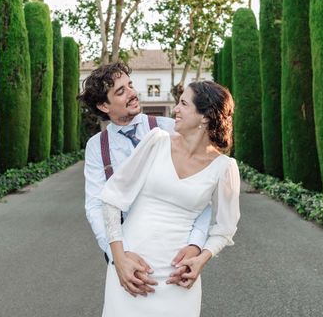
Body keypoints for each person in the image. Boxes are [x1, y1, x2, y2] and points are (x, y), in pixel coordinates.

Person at [100, 80, 240, 316]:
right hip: (131, 267)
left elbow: (225, 228)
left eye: (183, 104)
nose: (175, 109)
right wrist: (119, 258)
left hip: (178, 278)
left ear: (204, 117)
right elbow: (112, 198)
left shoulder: (224, 168)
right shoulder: (156, 141)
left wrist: (201, 259)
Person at [80, 62, 212, 294]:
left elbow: (203, 192)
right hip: (126, 251)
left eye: (130, 85)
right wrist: (117, 257)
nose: (132, 93)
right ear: (103, 105)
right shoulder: (96, 147)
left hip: (174, 253)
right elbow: (95, 205)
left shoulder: (171, 128)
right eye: (120, 91)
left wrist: (195, 245)